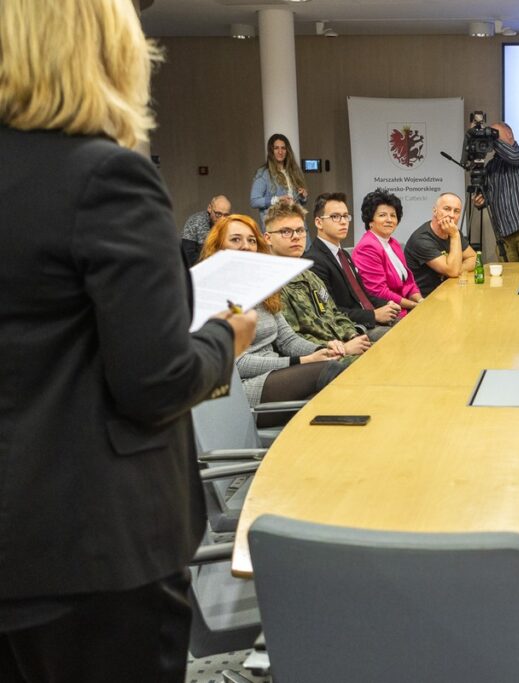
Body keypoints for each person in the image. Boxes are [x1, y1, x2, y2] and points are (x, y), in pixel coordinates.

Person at [0, 1, 257, 680]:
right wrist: (225, 336)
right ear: (106, 49)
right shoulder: (104, 176)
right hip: (94, 548)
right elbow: (156, 382)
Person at [199, 214, 346, 424]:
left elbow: (288, 340)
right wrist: (301, 361)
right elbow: (236, 364)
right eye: (235, 239)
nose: (246, 246)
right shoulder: (212, 294)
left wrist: (321, 350)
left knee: (333, 382)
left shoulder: (260, 288)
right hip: (242, 390)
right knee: (331, 372)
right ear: (218, 246)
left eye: (251, 240)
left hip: (276, 374)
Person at [262, 202, 372, 358]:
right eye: (286, 232)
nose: (296, 237)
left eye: (300, 230)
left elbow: (335, 314)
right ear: (268, 238)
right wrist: (341, 348)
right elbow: (290, 339)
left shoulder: (310, 276)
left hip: (342, 346)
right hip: (318, 357)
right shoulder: (269, 283)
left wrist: (353, 335)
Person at [307, 192, 400, 340]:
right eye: (335, 217)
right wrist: (373, 315)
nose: (343, 222)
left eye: (345, 216)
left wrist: (387, 304)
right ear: (319, 222)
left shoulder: (343, 254)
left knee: (413, 324)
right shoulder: (314, 260)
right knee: (399, 336)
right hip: (351, 328)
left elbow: (362, 295)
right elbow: (329, 310)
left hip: (368, 320)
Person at [474, 122, 519, 262]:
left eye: (494, 134)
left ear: (509, 135)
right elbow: (488, 195)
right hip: (504, 236)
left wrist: (492, 138)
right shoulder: (491, 166)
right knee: (507, 276)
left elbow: (512, 156)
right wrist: (480, 201)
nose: (491, 139)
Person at [352, 188, 422, 316]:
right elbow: (379, 292)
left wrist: (421, 300)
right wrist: (415, 306)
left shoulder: (393, 243)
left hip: (405, 309)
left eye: (393, 215)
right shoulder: (367, 247)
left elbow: (408, 283)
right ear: (370, 221)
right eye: (382, 215)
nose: (389, 220)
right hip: (388, 313)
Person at [404, 192, 477, 296]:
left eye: (456, 211)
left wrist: (458, 268)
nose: (451, 215)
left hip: (448, 292)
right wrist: (455, 235)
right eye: (447, 209)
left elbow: (474, 258)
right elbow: (453, 271)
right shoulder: (422, 239)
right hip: (425, 298)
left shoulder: (453, 231)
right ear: (435, 211)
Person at [250, 133, 308, 227]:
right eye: (276, 148)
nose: (280, 152)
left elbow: (299, 202)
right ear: (271, 151)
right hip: (276, 226)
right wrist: (277, 199)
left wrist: (303, 196)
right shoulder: (263, 174)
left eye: (283, 148)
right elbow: (254, 201)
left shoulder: (294, 172)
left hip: (297, 223)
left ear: (287, 150)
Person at [181, 194, 231, 265]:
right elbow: (187, 254)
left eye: (226, 215)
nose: (222, 219)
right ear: (209, 208)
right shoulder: (195, 222)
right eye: (218, 214)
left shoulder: (231, 224)